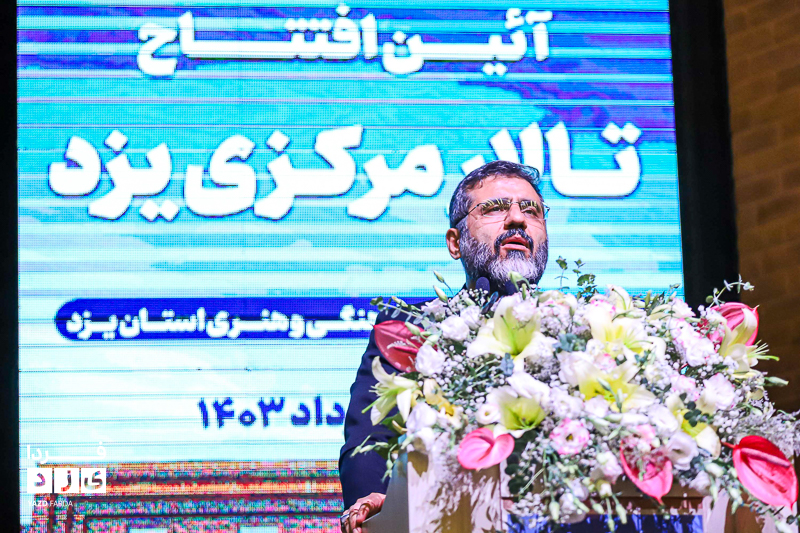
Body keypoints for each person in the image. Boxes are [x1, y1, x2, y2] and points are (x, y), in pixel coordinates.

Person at [338, 161, 550, 533]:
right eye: (495, 208)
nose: (517, 219)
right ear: (455, 243)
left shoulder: (583, 329)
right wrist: (376, 501)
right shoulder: (409, 328)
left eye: (531, 210)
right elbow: (370, 439)